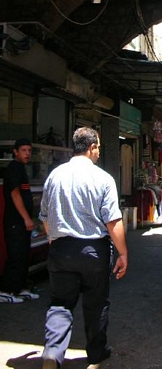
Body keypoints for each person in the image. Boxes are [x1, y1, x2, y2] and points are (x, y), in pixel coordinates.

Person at [39, 127, 127, 369]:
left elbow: (44, 215)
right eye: (98, 147)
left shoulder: (55, 176)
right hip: (94, 251)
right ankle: (96, 353)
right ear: (92, 147)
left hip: (61, 249)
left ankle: (53, 354)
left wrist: (52, 239)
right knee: (96, 302)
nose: (98, 152)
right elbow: (113, 221)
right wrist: (123, 253)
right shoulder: (103, 178)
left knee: (59, 303)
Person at [0, 138, 39, 304]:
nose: (27, 154)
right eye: (23, 150)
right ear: (15, 151)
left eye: (29, 151)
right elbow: (15, 195)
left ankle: (20, 287)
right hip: (15, 221)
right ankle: (5, 290)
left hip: (22, 223)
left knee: (23, 255)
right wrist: (26, 218)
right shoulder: (14, 169)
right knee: (15, 255)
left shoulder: (21, 169)